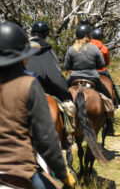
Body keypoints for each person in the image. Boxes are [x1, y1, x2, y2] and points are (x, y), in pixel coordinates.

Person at [0, 21, 75, 189]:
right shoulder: (29, 85)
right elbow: (46, 139)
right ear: (22, 57)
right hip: (17, 172)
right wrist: (62, 174)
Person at [25, 21, 74, 109]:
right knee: (71, 110)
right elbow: (55, 76)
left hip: (19, 92)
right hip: (44, 90)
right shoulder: (47, 50)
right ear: (45, 35)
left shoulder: (20, 49)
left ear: (32, 33)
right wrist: (66, 95)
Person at [64, 20, 113, 102]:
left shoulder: (71, 49)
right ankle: (111, 108)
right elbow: (101, 65)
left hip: (74, 78)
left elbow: (67, 66)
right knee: (108, 97)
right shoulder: (94, 48)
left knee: (62, 94)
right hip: (93, 78)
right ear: (89, 35)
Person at [89, 28, 120, 137]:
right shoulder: (104, 48)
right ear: (101, 37)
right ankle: (110, 127)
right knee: (113, 88)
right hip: (102, 72)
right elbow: (106, 62)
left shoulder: (86, 46)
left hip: (87, 72)